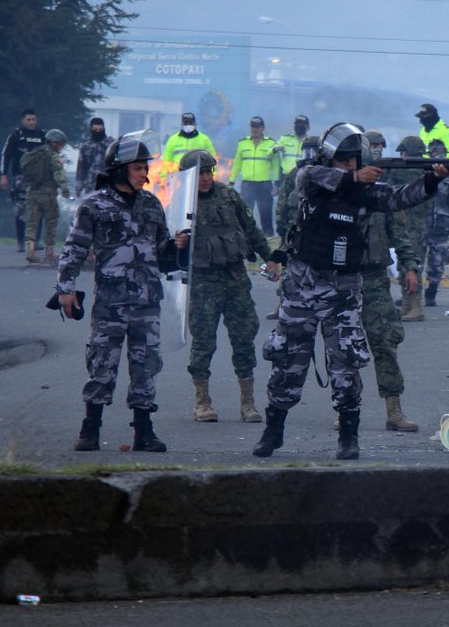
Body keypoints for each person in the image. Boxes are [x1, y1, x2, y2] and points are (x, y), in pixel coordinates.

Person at [253, 122, 449, 461]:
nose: (349, 167)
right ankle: (273, 431)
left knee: (346, 363)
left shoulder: (368, 194)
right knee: (288, 362)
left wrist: (433, 179)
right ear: (331, 160)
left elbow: (400, 196)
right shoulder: (312, 180)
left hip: (343, 291)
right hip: (302, 288)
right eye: (343, 161)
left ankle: (348, 435)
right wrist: (352, 177)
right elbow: (311, 176)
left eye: (354, 162)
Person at [56, 131, 187, 453]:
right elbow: (74, 249)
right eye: (139, 167)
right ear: (120, 169)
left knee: (146, 366)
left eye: (146, 167)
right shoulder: (94, 206)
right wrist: (65, 289)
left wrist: (176, 247)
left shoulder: (152, 204)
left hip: (147, 301)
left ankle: (144, 431)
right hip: (111, 302)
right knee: (102, 364)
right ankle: (90, 430)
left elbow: (161, 252)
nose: (146, 173)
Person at [176, 149, 279, 423]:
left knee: (244, 339)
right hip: (203, 283)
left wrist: (271, 259)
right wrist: (177, 243)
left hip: (234, 279)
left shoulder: (229, 196)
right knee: (204, 342)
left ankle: (248, 403)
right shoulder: (180, 204)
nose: (206, 178)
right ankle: (202, 401)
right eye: (200, 174)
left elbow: (252, 230)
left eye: (209, 172)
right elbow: (165, 247)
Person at [356, 131, 420, 432]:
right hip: (341, 282)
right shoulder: (334, 195)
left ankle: (394, 411)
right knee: (344, 349)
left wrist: (409, 266)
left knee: (386, 343)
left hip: (375, 280)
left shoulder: (384, 196)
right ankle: (345, 408)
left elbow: (400, 234)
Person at [270, 134, 322, 320]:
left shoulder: (326, 174)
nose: (309, 155)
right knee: (288, 268)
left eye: (313, 151)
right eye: (306, 151)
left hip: (318, 233)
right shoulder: (294, 174)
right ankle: (283, 303)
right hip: (294, 232)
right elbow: (282, 202)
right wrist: (281, 227)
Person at [392, 136, 430, 321]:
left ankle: (416, 307)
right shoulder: (422, 170)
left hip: (413, 226)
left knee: (411, 266)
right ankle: (407, 305)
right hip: (409, 225)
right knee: (404, 265)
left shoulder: (414, 172)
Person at [20, 128, 71, 263]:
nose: (61, 147)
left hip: (32, 192)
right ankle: (50, 253)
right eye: (61, 144)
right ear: (56, 143)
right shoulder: (53, 156)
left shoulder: (34, 153)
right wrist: (64, 189)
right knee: (51, 222)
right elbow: (58, 173)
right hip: (48, 194)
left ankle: (30, 251)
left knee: (32, 223)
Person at [420, 138, 449, 308]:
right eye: (435, 152)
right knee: (416, 260)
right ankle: (411, 295)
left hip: (441, 224)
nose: (438, 155)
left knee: (438, 261)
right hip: (421, 222)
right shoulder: (421, 170)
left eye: (441, 152)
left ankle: (431, 293)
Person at [0, 109, 46, 252]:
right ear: (23, 120)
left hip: (39, 179)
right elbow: (5, 155)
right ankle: (20, 242)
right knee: (20, 210)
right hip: (20, 178)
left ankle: (35, 241)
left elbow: (51, 155)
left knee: (39, 210)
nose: (31, 122)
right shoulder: (15, 136)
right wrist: (3, 175)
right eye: (29, 120)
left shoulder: (42, 135)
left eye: (33, 119)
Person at [230, 115, 280, 235]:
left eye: (257, 127)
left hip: (264, 185)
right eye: (253, 126)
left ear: (263, 128)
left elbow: (276, 165)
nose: (255, 129)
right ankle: (246, 240)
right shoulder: (242, 143)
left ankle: (268, 241)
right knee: (245, 215)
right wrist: (231, 182)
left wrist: (277, 184)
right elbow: (237, 164)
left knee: (266, 215)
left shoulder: (271, 143)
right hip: (247, 185)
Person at [75, 117, 115, 199]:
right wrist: (78, 187)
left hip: (108, 185)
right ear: (91, 129)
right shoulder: (86, 145)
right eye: (95, 130)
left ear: (104, 129)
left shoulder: (112, 144)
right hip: (91, 185)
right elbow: (81, 168)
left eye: (100, 130)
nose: (98, 132)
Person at [272, 114, 311, 188]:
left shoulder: (311, 142)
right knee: (284, 199)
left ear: (308, 128)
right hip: (286, 177)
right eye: (297, 123)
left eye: (302, 124)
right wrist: (275, 149)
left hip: (302, 178)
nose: (299, 125)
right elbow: (271, 149)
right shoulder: (285, 138)